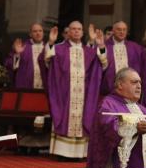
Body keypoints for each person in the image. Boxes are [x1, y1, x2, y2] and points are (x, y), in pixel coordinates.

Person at [42, 21, 108, 159]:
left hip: (83, 94)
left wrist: (100, 45)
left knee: (83, 118)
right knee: (63, 116)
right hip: (65, 93)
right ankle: (61, 152)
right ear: (68, 32)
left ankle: (80, 153)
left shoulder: (89, 51)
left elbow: (103, 63)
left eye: (79, 29)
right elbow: (47, 61)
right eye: (73, 29)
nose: (76, 31)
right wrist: (50, 42)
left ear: (82, 33)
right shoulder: (59, 49)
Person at [86, 68, 146, 168]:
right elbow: (109, 128)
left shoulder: (142, 109)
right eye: (134, 82)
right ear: (120, 85)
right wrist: (134, 128)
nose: (139, 86)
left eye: (140, 83)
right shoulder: (108, 104)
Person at [101, 21, 146, 107]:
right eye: (119, 29)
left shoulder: (135, 47)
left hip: (130, 91)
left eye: (124, 30)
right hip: (111, 89)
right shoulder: (105, 46)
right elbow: (99, 65)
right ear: (113, 31)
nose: (122, 32)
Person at [4, 23, 46, 89]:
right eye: (35, 31)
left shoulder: (48, 48)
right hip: (26, 87)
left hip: (44, 87)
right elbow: (9, 65)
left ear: (43, 33)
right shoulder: (22, 47)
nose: (38, 33)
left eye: (40, 31)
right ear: (30, 34)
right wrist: (17, 54)